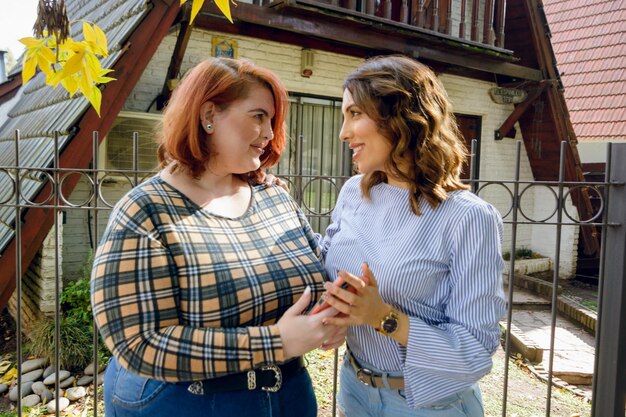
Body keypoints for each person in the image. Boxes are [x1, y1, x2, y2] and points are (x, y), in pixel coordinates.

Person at [91, 57, 344, 417]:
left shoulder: (274, 197)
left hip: (288, 396)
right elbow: (138, 343)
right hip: (186, 402)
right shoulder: (145, 211)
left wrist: (330, 316)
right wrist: (275, 342)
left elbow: (312, 274)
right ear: (209, 115)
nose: (271, 133)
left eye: (271, 120)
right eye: (258, 116)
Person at [318, 55, 507, 416]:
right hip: (354, 389)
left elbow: (476, 352)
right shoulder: (354, 192)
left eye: (355, 114)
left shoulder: (467, 217)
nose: (343, 133)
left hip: (427, 405)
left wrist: (384, 317)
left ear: (400, 118)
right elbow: (328, 264)